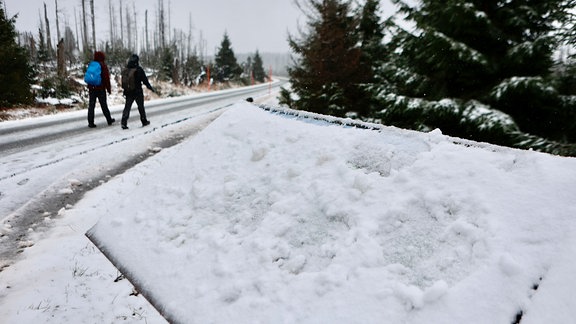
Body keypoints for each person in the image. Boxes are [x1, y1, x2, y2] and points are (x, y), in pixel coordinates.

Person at [121, 54, 155, 129]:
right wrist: (150, 87)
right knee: (140, 107)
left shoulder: (127, 69)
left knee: (127, 107)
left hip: (128, 91)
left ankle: (124, 122)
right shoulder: (139, 69)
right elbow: (145, 80)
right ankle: (144, 121)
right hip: (137, 91)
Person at [87, 51, 115, 128]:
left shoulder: (91, 64)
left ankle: (90, 122)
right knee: (103, 105)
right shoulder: (103, 65)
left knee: (91, 105)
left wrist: (90, 86)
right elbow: (106, 78)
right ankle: (109, 119)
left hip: (92, 88)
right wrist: (108, 89)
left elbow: (89, 76)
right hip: (100, 88)